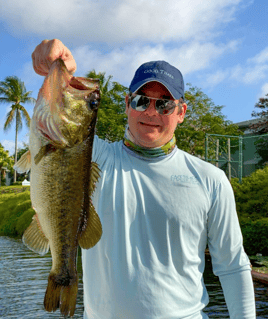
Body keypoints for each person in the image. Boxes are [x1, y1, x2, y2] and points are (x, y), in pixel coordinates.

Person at [32, 39, 256, 319]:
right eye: (141, 100)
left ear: (181, 112)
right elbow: (67, 122)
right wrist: (60, 63)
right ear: (127, 104)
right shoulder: (94, 156)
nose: (151, 112)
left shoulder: (211, 180)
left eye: (164, 104)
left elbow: (233, 266)